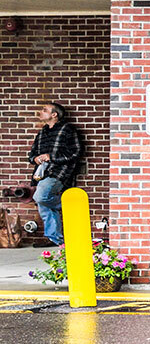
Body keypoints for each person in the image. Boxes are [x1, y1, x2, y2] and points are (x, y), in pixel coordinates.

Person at [28, 102, 83, 246]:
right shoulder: (42, 132)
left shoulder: (67, 130)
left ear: (54, 114)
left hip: (59, 173)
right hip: (41, 174)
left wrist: (51, 157)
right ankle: (55, 239)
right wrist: (35, 158)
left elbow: (76, 153)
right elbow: (32, 154)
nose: (41, 112)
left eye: (44, 110)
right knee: (44, 205)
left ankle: (68, 205)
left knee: (40, 197)